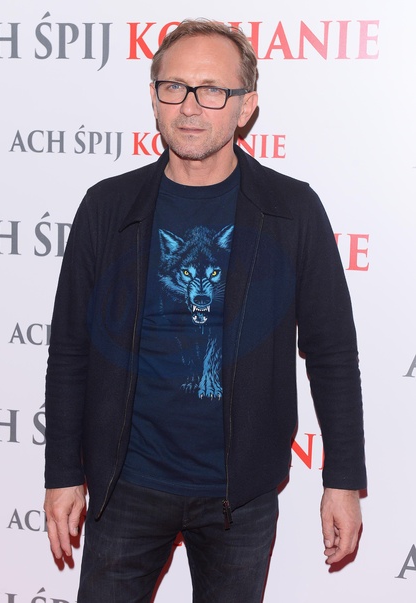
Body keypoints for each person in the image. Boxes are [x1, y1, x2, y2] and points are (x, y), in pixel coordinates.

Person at [43, 18, 366, 603]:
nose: (190, 106)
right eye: (175, 87)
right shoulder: (108, 207)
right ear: (154, 97)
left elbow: (332, 353)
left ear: (246, 107)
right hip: (125, 484)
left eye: (213, 90)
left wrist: (342, 480)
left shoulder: (291, 211)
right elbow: (69, 348)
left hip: (239, 496)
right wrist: (64, 472)